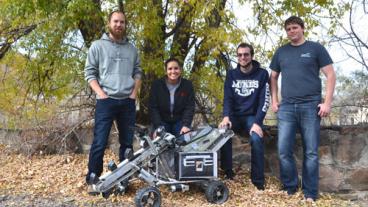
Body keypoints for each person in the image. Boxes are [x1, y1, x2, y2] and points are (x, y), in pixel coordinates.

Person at [269, 16, 336, 201]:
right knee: (283, 150)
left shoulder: (315, 48)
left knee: (311, 152)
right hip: (287, 107)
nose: (292, 31)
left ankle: (310, 193)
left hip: (310, 105)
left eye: (295, 27)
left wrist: (327, 103)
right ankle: (290, 188)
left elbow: (330, 75)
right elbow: (273, 77)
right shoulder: (281, 52)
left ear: (303, 28)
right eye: (288, 29)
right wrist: (275, 101)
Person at [84, 10, 142, 188]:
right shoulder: (97, 46)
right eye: (116, 21)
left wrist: (133, 93)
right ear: (109, 23)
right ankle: (93, 177)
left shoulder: (132, 49)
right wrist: (101, 94)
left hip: (127, 101)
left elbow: (138, 72)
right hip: (106, 100)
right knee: (100, 141)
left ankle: (124, 178)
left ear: (125, 25)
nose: (119, 25)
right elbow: (89, 73)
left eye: (122, 22)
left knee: (127, 143)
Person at [219, 43, 270, 189]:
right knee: (223, 132)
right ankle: (228, 173)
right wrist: (226, 116)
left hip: (251, 118)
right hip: (234, 116)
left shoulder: (262, 74)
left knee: (256, 137)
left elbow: (264, 100)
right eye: (240, 55)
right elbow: (227, 98)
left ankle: (258, 181)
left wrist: (258, 122)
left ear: (251, 56)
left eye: (246, 54)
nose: (243, 57)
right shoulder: (231, 75)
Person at [149, 57, 195, 137]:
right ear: (166, 71)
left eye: (176, 68)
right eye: (170, 69)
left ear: (180, 70)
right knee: (159, 143)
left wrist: (186, 125)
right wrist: (158, 126)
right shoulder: (157, 85)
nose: (173, 71)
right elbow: (153, 108)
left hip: (180, 122)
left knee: (185, 141)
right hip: (162, 121)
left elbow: (190, 107)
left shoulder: (187, 85)